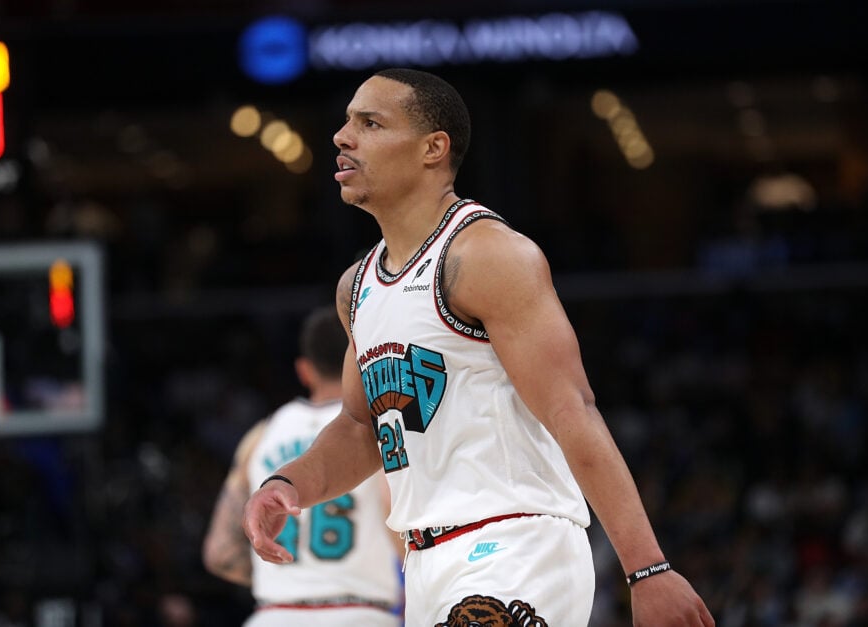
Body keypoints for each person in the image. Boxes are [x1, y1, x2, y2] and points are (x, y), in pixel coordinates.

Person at [243, 67, 715, 626]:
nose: (342, 137)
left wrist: (647, 569)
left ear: (433, 148)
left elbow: (571, 410)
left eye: (369, 123)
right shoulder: (357, 286)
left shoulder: (488, 255)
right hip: (425, 563)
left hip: (515, 543)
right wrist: (288, 483)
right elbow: (359, 427)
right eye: (346, 121)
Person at [202, 306, 404, 626]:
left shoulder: (260, 436)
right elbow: (391, 506)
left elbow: (219, 553)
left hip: (275, 614)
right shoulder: (377, 429)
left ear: (305, 371)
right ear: (361, 361)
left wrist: (288, 579)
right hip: (360, 612)